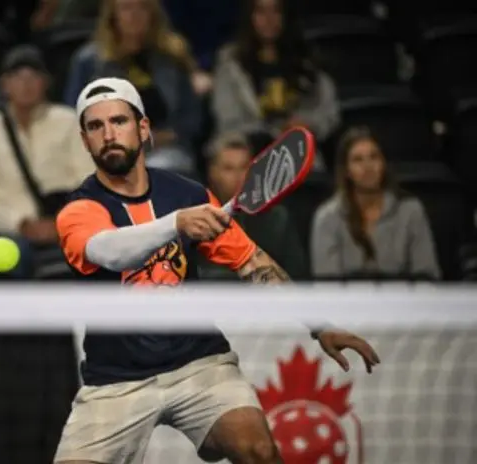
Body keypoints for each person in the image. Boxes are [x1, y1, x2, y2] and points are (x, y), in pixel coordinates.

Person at [53, 77, 380, 464]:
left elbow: (252, 262)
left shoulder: (189, 195)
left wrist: (319, 324)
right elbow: (109, 252)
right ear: (85, 138)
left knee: (258, 450)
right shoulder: (79, 211)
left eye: (119, 121)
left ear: (143, 128)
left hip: (198, 364)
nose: (108, 134)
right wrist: (176, 224)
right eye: (95, 126)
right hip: (115, 380)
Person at [0, 45, 95, 278]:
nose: (25, 84)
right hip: (11, 232)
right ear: (4, 84)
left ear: (45, 82)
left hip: (67, 225)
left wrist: (59, 224)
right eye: (17, 77)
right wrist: (21, 224)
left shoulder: (70, 121)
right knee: (10, 255)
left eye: (33, 76)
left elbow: (90, 182)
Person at [63, 0, 203, 176]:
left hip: (166, 149)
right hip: (107, 148)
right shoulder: (89, 61)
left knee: (164, 172)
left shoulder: (171, 57)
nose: (135, 15)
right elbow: (72, 117)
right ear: (113, 16)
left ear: (153, 14)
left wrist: (166, 135)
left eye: (142, 8)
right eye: (127, 8)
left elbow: (192, 116)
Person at [311, 126, 441, 281]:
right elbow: (327, 288)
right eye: (358, 160)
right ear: (346, 170)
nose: (368, 167)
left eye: (374, 157)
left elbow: (427, 276)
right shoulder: (327, 218)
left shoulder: (411, 211)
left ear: (384, 164)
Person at [211, 0, 339, 143]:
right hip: (248, 154)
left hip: (299, 150)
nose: (269, 18)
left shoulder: (306, 61)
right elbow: (227, 121)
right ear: (249, 17)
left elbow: (328, 114)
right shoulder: (230, 63)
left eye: (276, 11)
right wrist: (272, 135)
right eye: (261, 11)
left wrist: (308, 125)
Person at [199, 132, 308, 280]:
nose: (238, 176)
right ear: (212, 173)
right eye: (229, 168)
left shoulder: (277, 218)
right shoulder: (197, 219)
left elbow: (298, 277)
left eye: (243, 167)